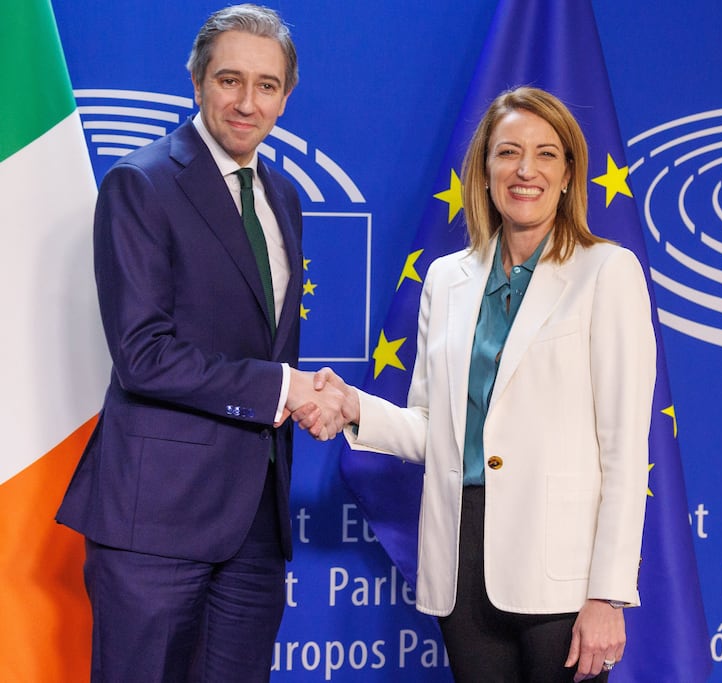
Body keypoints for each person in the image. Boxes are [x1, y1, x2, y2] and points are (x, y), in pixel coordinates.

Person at [301, 86, 656, 682]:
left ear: (569, 173)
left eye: (546, 154)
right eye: (508, 152)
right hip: (460, 557)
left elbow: (624, 450)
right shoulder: (446, 279)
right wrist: (353, 407)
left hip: (561, 575)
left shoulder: (607, 272)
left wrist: (609, 594)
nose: (525, 170)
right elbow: (435, 429)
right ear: (484, 170)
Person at [56, 5, 346, 681]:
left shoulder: (283, 196)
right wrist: (284, 390)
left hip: (254, 525)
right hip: (155, 519)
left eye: (267, 86)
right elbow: (143, 353)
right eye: (230, 80)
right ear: (197, 81)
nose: (248, 102)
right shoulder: (143, 183)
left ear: (286, 96)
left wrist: (308, 395)